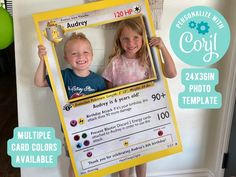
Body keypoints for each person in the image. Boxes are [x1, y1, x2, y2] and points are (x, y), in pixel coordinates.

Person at [102, 18, 176, 177]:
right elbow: (108, 92)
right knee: (124, 154)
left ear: (143, 38)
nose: (131, 42)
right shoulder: (115, 63)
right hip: (122, 118)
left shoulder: (150, 60)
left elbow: (171, 73)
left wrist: (162, 47)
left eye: (136, 37)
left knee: (142, 153)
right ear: (119, 41)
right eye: (126, 39)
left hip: (145, 116)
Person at [34, 32, 106, 177]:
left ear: (92, 55)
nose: (81, 56)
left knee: (94, 163)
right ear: (66, 58)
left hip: (94, 131)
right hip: (71, 132)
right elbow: (39, 82)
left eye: (85, 52)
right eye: (74, 53)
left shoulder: (98, 81)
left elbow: (104, 108)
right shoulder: (64, 76)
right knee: (75, 164)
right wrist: (42, 60)